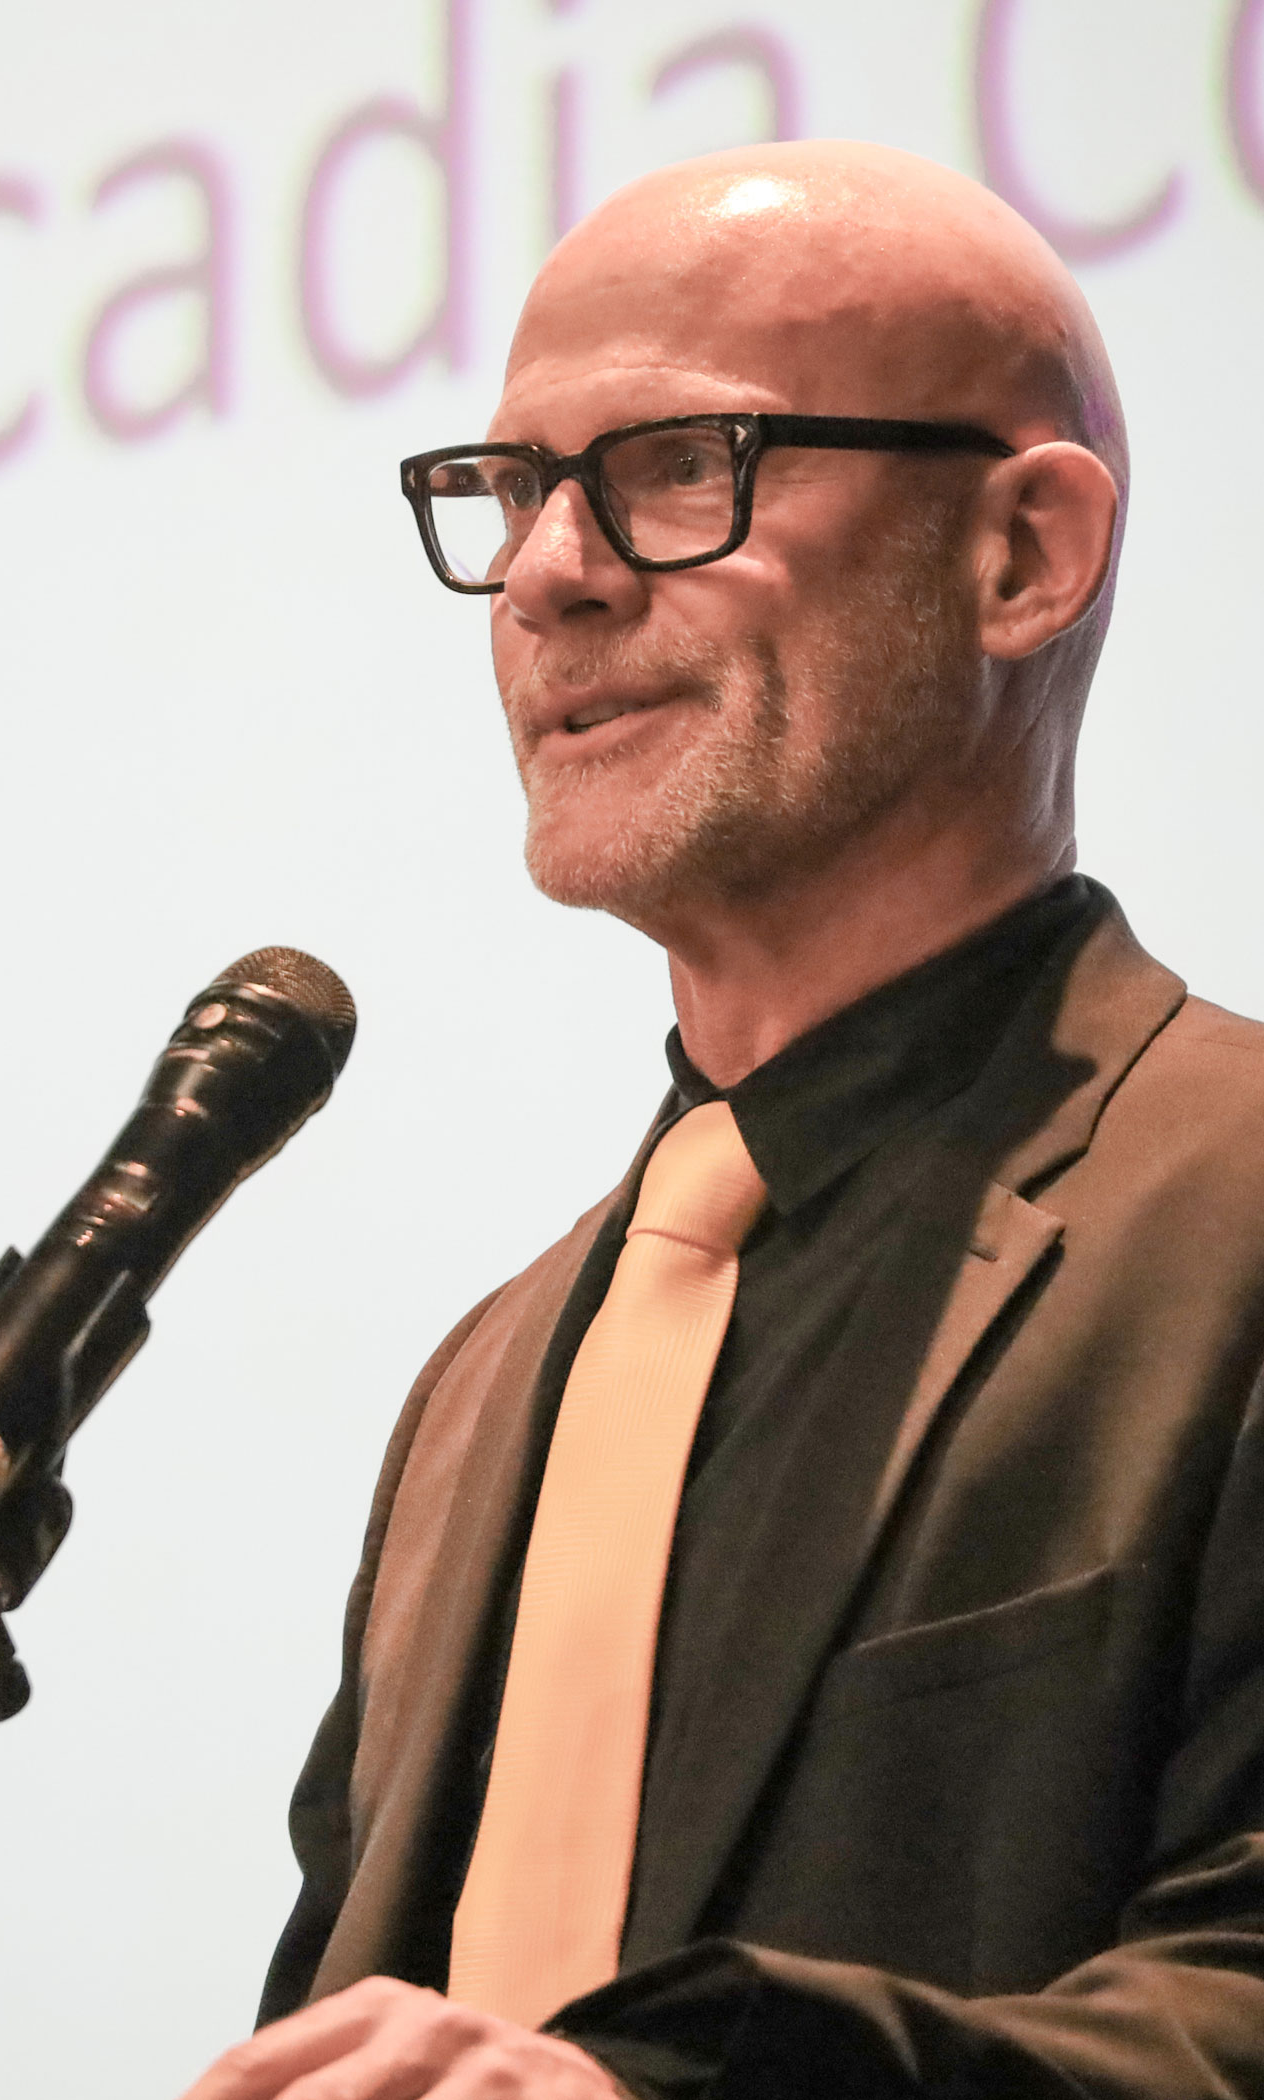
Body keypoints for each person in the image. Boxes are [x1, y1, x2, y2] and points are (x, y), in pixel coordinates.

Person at [181, 140, 1264, 2098]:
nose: (548, 572)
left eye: (682, 464)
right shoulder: (478, 1394)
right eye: (511, 487)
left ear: (1023, 555)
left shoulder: (1234, 1212)